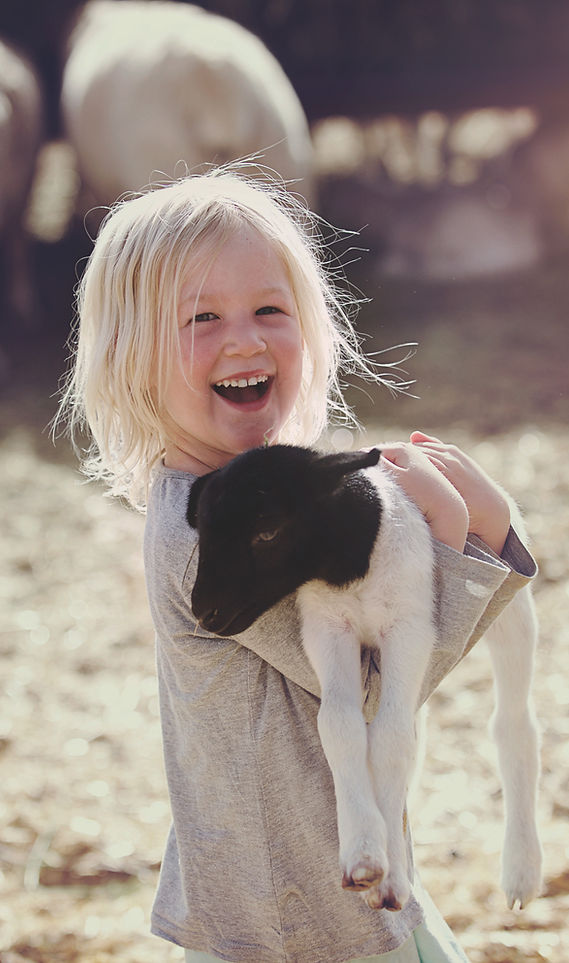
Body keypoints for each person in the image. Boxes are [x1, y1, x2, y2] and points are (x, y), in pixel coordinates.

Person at [57, 168, 537, 963]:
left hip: (329, 892)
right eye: (201, 316)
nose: (243, 339)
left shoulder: (256, 499)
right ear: (130, 357)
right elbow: (381, 688)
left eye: (269, 310)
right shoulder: (207, 533)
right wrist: (460, 544)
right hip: (293, 921)